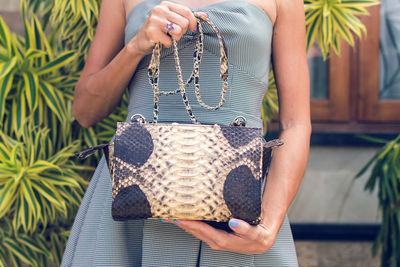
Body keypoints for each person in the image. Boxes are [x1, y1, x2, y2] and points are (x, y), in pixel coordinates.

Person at [61, 0, 311, 266]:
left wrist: (269, 225)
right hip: (134, 192)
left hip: (238, 199)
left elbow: (296, 123)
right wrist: (135, 46)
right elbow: (85, 112)